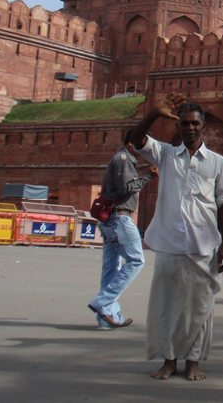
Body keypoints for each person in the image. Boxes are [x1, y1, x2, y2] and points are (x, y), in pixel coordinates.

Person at [130, 93, 223, 381]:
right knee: (168, 305)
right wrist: (153, 114)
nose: (190, 128)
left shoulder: (217, 163)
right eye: (184, 124)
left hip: (204, 244)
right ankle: (169, 360)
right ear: (179, 127)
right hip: (170, 243)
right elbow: (135, 140)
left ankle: (193, 362)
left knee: (200, 307)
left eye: (195, 123)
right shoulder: (165, 155)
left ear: (203, 126)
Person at [88, 130, 157, 330]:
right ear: (131, 144)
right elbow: (126, 188)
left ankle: (107, 318)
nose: (145, 149)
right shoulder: (124, 159)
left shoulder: (121, 158)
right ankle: (102, 302)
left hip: (111, 219)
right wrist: (149, 177)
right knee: (136, 260)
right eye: (143, 144)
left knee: (111, 268)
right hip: (119, 218)